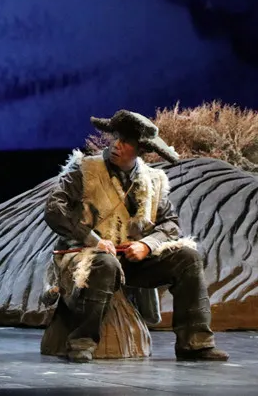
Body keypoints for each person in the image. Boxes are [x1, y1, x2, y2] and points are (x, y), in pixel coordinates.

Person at [43, 109, 230, 364]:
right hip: (86, 257)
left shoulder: (154, 180)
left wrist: (146, 245)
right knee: (105, 264)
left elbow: (170, 224)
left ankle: (195, 343)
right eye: (116, 137)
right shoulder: (85, 169)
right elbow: (55, 209)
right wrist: (93, 240)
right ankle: (81, 342)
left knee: (187, 258)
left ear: (140, 149)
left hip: (131, 258)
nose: (117, 145)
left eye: (126, 142)